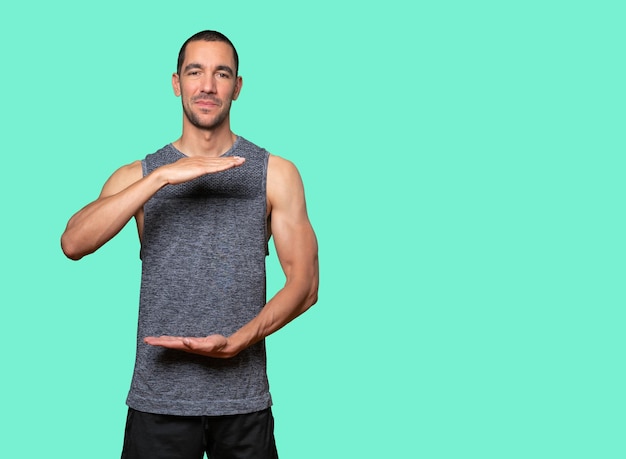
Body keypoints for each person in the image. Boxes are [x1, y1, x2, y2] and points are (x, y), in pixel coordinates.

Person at [61, 30, 319, 459]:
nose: (207, 85)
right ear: (177, 83)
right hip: (158, 403)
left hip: (243, 404)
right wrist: (161, 178)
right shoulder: (139, 175)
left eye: (222, 74)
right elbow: (73, 242)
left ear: (237, 87)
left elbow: (306, 286)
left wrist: (239, 341)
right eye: (195, 71)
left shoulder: (275, 173)